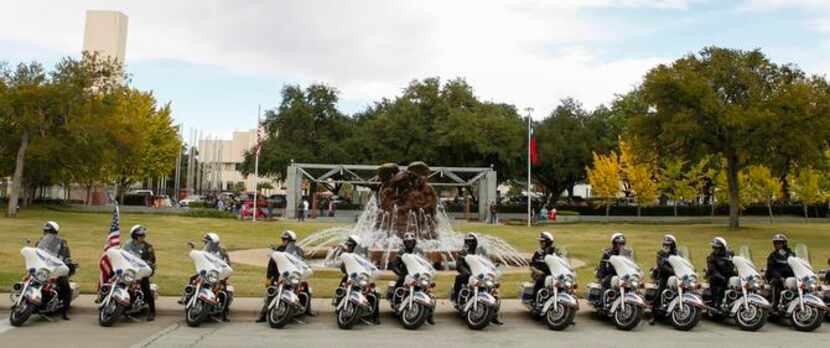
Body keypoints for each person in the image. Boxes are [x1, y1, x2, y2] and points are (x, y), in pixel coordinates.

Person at [257, 230, 311, 322]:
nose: (283, 241)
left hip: (293, 274)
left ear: (292, 241)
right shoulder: (279, 249)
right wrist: (269, 277)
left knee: (305, 287)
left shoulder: (298, 250)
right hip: (281, 274)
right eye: (283, 239)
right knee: (272, 290)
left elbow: (302, 262)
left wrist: (305, 269)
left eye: (286, 239)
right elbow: (272, 264)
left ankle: (307, 310)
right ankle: (263, 314)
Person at [335, 235, 380, 324]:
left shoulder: (363, 254)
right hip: (351, 275)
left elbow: (368, 263)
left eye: (351, 245)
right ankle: (339, 304)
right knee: (341, 286)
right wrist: (344, 266)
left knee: (374, 292)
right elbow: (343, 268)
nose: (349, 247)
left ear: (356, 246)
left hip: (362, 276)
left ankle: (376, 316)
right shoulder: (346, 255)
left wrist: (372, 269)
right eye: (348, 245)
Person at [35, 221, 73, 320]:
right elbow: (35, 251)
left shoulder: (62, 243)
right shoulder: (40, 242)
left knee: (66, 288)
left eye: (49, 231)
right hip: (42, 267)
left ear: (55, 232)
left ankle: (65, 312)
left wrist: (66, 261)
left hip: (55, 268)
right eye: (46, 231)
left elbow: (66, 256)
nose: (47, 233)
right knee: (28, 277)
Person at [123, 225, 157, 321]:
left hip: (141, 270)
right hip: (129, 269)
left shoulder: (148, 247)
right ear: (134, 236)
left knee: (145, 288)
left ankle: (152, 311)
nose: (142, 237)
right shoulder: (127, 245)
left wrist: (148, 263)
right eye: (140, 235)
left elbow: (152, 259)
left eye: (143, 235)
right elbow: (122, 254)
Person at [765, 233, 795, 312]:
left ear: (784, 243)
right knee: (776, 282)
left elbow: (797, 265)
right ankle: (774, 304)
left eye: (779, 243)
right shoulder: (772, 256)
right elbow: (771, 269)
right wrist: (780, 277)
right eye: (775, 243)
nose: (777, 245)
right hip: (776, 277)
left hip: (789, 277)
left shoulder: (791, 254)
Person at [705, 237, 735, 312]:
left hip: (730, 276)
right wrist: (721, 277)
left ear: (722, 248)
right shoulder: (711, 257)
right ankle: (716, 304)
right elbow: (713, 270)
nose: (714, 249)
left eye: (717, 248)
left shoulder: (730, 254)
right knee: (717, 281)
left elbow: (735, 262)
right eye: (713, 247)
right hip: (718, 277)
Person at [652, 234, 678, 318]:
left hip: (676, 275)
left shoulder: (677, 254)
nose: (665, 246)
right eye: (664, 244)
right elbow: (661, 265)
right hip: (663, 275)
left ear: (673, 245)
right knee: (660, 290)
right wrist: (673, 271)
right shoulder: (661, 253)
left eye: (668, 244)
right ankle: (653, 313)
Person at [530, 231, 558, 306]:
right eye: (540, 241)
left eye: (542, 241)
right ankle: (534, 300)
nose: (540, 243)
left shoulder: (555, 252)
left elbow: (562, 261)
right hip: (541, 274)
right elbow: (531, 265)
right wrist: (537, 271)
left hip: (554, 274)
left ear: (548, 242)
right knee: (540, 280)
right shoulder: (538, 252)